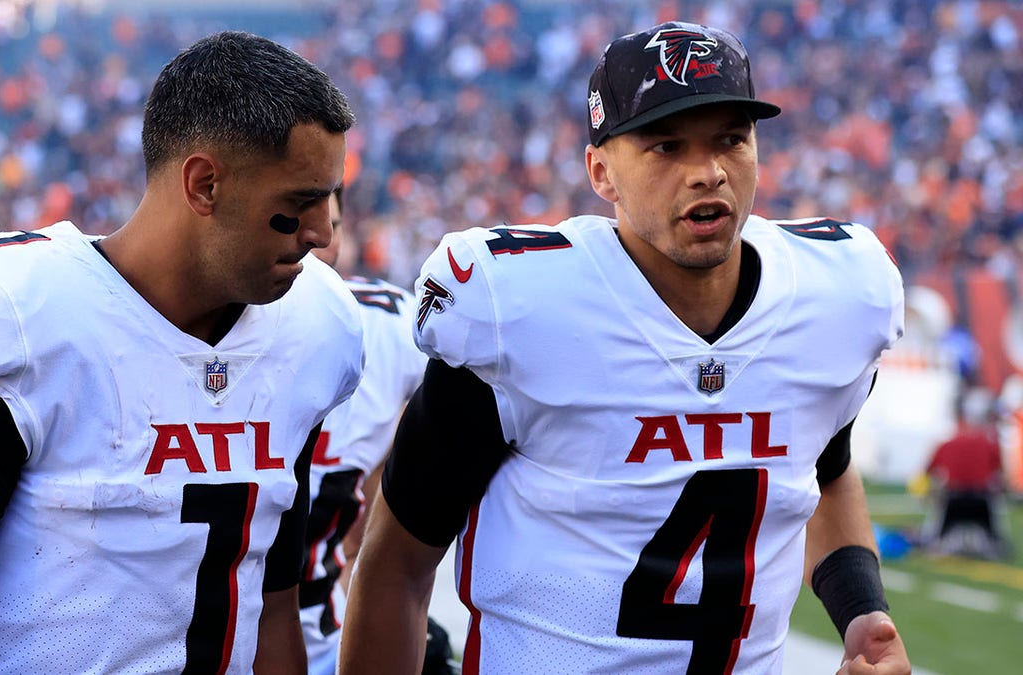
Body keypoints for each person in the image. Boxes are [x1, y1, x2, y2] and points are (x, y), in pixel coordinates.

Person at [341, 21, 911, 675]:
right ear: (601, 171)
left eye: (731, 138)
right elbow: (394, 566)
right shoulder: (521, 311)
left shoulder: (833, 296)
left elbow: (828, 466)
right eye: (666, 146)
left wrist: (862, 611)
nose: (708, 172)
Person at [0, 31, 361, 674]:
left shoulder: (313, 327)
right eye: (297, 204)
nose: (321, 234)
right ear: (204, 185)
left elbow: (274, 607)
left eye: (330, 199)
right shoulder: (26, 321)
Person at [298, 187, 437, 674]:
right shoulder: (178, 328)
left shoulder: (384, 328)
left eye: (331, 225)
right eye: (291, 214)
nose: (316, 240)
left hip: (317, 640)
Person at [920, 387, 1011, 559]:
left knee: (934, 533)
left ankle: (932, 540)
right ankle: (995, 542)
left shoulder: (946, 443)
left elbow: (927, 473)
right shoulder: (989, 444)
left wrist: (930, 493)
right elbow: (1001, 478)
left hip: (953, 501)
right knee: (997, 522)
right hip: (981, 501)